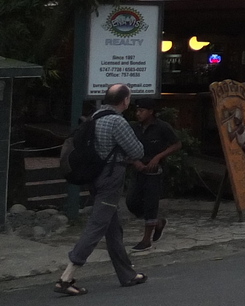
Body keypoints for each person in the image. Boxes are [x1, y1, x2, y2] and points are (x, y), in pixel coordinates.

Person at [56, 84, 148, 295]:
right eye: (129, 99)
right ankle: (67, 276)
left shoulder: (95, 117)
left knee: (113, 227)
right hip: (110, 179)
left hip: (94, 177)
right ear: (124, 100)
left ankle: (127, 274)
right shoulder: (117, 121)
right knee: (98, 225)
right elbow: (137, 151)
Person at [129, 98, 179, 250]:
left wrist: (158, 157)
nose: (138, 114)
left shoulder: (162, 127)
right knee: (132, 202)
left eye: (142, 111)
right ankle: (157, 222)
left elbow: (177, 144)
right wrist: (134, 161)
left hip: (154, 171)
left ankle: (146, 239)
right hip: (139, 168)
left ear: (151, 112)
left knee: (151, 203)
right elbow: (126, 146)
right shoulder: (134, 128)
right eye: (137, 110)